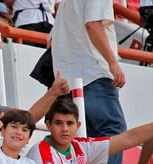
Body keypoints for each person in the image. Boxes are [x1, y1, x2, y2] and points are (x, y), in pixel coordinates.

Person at [50, 0, 127, 163]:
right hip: (93, 72)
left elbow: (50, 41)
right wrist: (112, 62)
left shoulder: (65, 4)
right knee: (112, 132)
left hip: (68, 81)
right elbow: (93, 24)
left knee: (84, 140)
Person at [26, 98, 153, 164]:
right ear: (48, 125)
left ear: (78, 126)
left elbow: (127, 138)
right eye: (59, 123)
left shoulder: (81, 146)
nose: (65, 129)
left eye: (70, 123)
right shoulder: (40, 152)